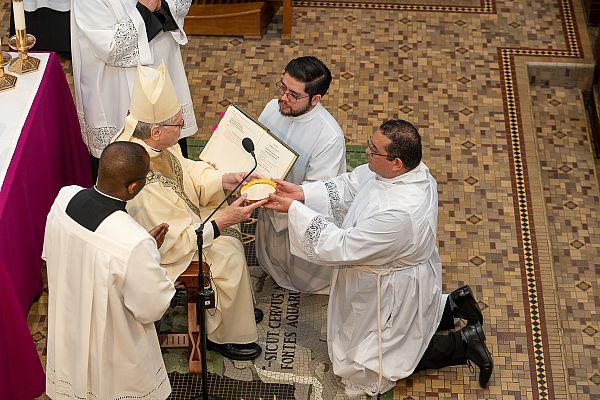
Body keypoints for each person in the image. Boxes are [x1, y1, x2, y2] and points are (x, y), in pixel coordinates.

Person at [264, 119, 494, 396]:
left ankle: (463, 344)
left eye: (373, 151)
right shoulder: (411, 172)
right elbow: (353, 185)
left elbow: (341, 246)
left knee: (378, 355)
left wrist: (294, 211)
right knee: (407, 327)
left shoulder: (399, 214)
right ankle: (455, 305)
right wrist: (303, 193)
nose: (367, 153)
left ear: (396, 162)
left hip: (386, 285)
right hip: (397, 267)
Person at [114, 63, 267, 361]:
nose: (183, 126)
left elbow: (185, 170)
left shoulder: (153, 142)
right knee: (229, 253)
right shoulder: (138, 174)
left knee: (224, 209)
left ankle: (238, 309)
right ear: (156, 131)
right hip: (166, 246)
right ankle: (225, 333)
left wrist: (222, 180)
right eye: (178, 124)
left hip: (181, 218)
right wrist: (222, 223)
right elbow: (171, 239)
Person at [43, 141, 176, 399]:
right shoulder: (134, 243)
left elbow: (59, 252)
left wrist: (138, 250)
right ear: (133, 187)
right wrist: (145, 253)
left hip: (69, 324)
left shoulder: (64, 198)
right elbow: (152, 308)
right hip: (114, 346)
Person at [71, 0, 198, 177]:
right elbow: (110, 48)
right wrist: (145, 9)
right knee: (124, 168)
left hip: (163, 66)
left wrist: (160, 5)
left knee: (173, 159)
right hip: (116, 87)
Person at [256, 56, 346, 294]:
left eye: (294, 95)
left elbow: (316, 191)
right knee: (270, 256)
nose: (283, 98)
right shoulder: (272, 108)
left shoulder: (329, 136)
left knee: (302, 277)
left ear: (315, 99)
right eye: (283, 87)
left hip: (295, 210)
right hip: (268, 201)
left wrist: (280, 197)